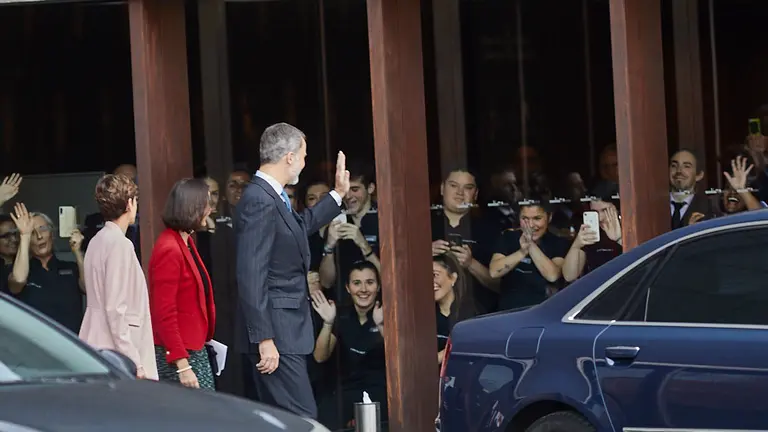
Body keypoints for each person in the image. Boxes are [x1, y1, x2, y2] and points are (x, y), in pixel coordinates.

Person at [235, 122, 350, 418]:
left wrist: (337, 195)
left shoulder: (272, 196)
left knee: (284, 421)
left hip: (282, 332)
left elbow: (300, 226)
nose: (304, 161)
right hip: (276, 334)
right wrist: (264, 339)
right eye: (303, 155)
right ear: (289, 157)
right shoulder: (259, 199)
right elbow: (251, 274)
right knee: (302, 418)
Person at [79, 174, 157, 380]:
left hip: (96, 336)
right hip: (117, 348)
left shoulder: (97, 241)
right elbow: (115, 308)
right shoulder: (120, 244)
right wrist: (134, 361)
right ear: (130, 204)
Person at [149, 178, 216, 390]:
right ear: (192, 207)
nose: (210, 209)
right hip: (181, 356)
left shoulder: (185, 241)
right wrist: (182, 364)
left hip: (193, 350)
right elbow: (164, 311)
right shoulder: (169, 247)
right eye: (206, 204)